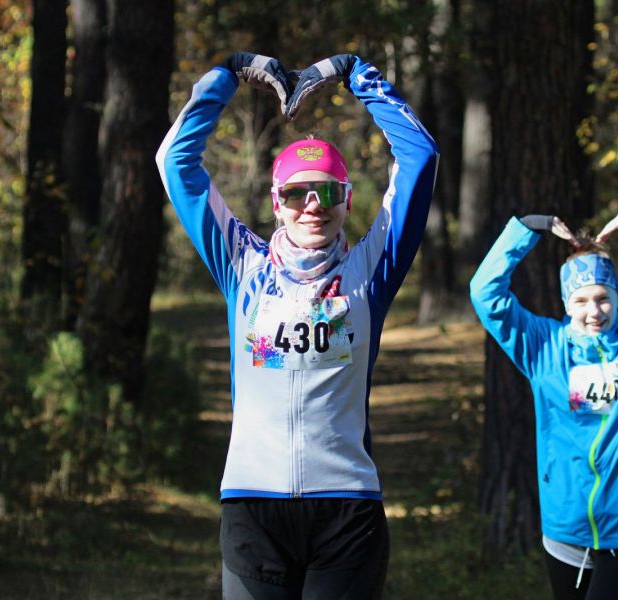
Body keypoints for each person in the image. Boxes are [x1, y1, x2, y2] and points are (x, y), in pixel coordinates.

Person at [156, 51, 438, 599]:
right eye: (295, 193)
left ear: (347, 199)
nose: (313, 205)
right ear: (276, 203)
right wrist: (229, 73)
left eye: (328, 191)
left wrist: (352, 71)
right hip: (252, 509)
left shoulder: (370, 271)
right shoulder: (240, 262)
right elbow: (175, 162)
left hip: (346, 512)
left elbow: (420, 154)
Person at [469, 211, 618, 599]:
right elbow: (485, 293)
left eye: (603, 298)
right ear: (566, 303)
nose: (593, 311)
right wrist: (525, 229)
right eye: (581, 300)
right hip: (565, 530)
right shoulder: (543, 348)